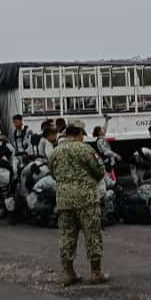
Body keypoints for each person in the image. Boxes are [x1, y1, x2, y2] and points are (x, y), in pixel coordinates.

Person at [50, 120, 109, 285]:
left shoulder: (56, 151)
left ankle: (69, 273)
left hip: (64, 200)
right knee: (92, 234)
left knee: (67, 236)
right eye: (83, 134)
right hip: (86, 199)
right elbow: (99, 171)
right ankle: (95, 272)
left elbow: (52, 172)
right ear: (79, 134)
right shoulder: (85, 149)